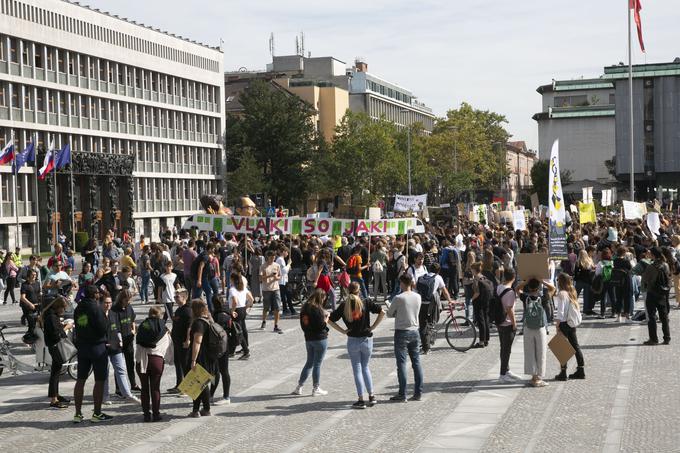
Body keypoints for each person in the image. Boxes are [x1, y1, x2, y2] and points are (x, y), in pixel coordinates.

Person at [328, 282, 385, 409]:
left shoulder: (344, 305)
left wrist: (343, 331)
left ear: (348, 291)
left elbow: (329, 320)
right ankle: (372, 396)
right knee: (366, 367)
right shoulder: (366, 302)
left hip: (353, 340)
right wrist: (373, 327)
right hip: (366, 339)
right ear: (359, 291)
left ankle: (360, 399)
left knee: (357, 370)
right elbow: (382, 312)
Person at [72, 285, 112, 423]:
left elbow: (78, 326)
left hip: (82, 347)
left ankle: (77, 413)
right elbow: (102, 328)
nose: (99, 295)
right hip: (97, 347)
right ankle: (97, 413)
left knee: (80, 380)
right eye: (98, 294)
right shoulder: (96, 308)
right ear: (94, 295)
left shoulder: (78, 308)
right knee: (99, 380)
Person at [386, 274, 424, 402]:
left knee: (401, 364)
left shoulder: (399, 298)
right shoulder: (418, 296)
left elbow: (390, 313)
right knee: (416, 363)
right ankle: (418, 392)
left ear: (402, 283)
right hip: (415, 331)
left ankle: (402, 394)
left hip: (402, 332)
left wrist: (390, 307)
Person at [101, 294, 140, 405]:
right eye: (105, 302)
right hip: (103, 347)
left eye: (109, 302)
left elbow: (117, 328)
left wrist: (120, 340)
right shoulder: (98, 315)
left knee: (121, 370)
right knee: (105, 372)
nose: (108, 305)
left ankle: (127, 394)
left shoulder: (113, 314)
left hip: (116, 346)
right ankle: (105, 396)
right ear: (101, 303)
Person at [135, 306, 174, 422]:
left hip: (142, 360)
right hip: (156, 360)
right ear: (160, 315)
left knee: (144, 389)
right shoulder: (164, 328)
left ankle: (146, 415)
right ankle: (156, 414)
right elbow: (169, 346)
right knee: (155, 388)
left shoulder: (142, 326)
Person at [292, 288, 330, 397]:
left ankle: (299, 387)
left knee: (309, 363)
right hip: (320, 339)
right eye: (323, 299)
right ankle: (316, 388)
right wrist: (326, 318)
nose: (324, 301)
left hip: (308, 338)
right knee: (317, 364)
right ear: (320, 298)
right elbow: (321, 326)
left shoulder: (304, 308)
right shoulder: (317, 309)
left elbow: (303, 325)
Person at [518, 278, 554, 387]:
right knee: (541, 351)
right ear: (539, 287)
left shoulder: (525, 297)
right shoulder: (543, 298)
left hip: (528, 327)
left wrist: (525, 282)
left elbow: (517, 289)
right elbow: (553, 288)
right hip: (540, 327)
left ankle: (533, 377)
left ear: (528, 287)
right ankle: (538, 378)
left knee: (529, 352)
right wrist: (542, 281)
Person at [40, 296, 70, 409]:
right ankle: (54, 399)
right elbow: (55, 334)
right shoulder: (52, 317)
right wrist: (66, 327)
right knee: (55, 373)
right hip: (55, 346)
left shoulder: (51, 316)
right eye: (63, 308)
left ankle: (55, 395)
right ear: (58, 307)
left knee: (56, 372)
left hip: (53, 345)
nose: (63, 311)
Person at [553, 273, 586, 380]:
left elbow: (560, 312)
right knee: (575, 346)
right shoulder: (572, 292)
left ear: (560, 282)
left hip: (563, 323)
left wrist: (557, 325)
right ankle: (581, 370)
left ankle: (563, 373)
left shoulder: (562, 294)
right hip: (571, 323)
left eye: (558, 280)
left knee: (561, 348)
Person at [188, 298, 215, 417]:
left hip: (201, 356)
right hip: (209, 356)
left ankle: (205, 409)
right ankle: (196, 410)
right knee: (198, 383)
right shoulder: (208, 319)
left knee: (200, 384)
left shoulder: (199, 323)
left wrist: (193, 360)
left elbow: (197, 342)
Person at [641, 247, 671, 345]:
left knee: (652, 316)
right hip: (663, 293)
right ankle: (667, 338)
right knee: (664, 317)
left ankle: (653, 339)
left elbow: (645, 279)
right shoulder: (666, 265)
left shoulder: (651, 266)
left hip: (652, 293)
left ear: (653, 255)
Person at [111, 289, 140, 392]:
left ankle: (133, 384)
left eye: (129, 300)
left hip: (128, 339)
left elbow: (132, 319)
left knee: (130, 363)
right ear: (122, 299)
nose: (128, 302)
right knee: (119, 365)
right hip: (118, 341)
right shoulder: (114, 309)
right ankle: (118, 388)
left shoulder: (129, 307)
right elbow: (114, 325)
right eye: (127, 300)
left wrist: (133, 330)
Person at [497, 268, 520, 383]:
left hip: (499, 321)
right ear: (514, 277)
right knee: (506, 350)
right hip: (507, 323)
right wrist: (515, 324)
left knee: (503, 348)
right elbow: (509, 310)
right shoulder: (510, 292)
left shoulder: (499, 287)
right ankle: (502, 375)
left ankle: (506, 370)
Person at [167, 288, 191, 394]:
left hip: (184, 343)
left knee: (185, 365)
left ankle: (187, 388)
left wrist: (188, 340)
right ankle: (179, 385)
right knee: (178, 363)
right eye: (174, 297)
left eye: (177, 297)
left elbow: (189, 327)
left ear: (184, 297)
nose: (175, 299)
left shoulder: (187, 310)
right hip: (177, 341)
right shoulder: (179, 310)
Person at [210, 295, 232, 405]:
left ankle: (225, 396)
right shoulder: (228, 313)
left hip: (219, 346)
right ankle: (213, 394)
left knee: (219, 371)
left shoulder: (218, 315)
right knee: (220, 371)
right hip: (226, 345)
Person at [228, 271, 252, 360]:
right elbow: (251, 299)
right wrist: (246, 307)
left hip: (236, 310)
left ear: (233, 279)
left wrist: (232, 311)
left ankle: (246, 351)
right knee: (238, 330)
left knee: (237, 332)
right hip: (242, 310)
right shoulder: (243, 288)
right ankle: (231, 351)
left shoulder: (232, 289)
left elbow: (234, 301)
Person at [260, 250, 283, 334]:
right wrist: (270, 276)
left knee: (277, 308)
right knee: (266, 308)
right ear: (267, 257)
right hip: (266, 289)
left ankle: (276, 326)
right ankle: (264, 321)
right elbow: (260, 278)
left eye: (274, 258)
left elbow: (280, 276)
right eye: (271, 258)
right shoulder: (263, 266)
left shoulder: (277, 265)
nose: (273, 259)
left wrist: (277, 278)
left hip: (276, 289)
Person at [19, 269, 40, 336]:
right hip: (27, 307)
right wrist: (30, 304)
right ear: (28, 276)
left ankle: (31, 337)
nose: (34, 276)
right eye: (32, 275)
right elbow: (22, 298)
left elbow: (39, 293)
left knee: (36, 324)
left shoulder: (37, 283)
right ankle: (27, 338)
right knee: (32, 324)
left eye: (35, 275)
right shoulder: (24, 285)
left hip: (36, 305)